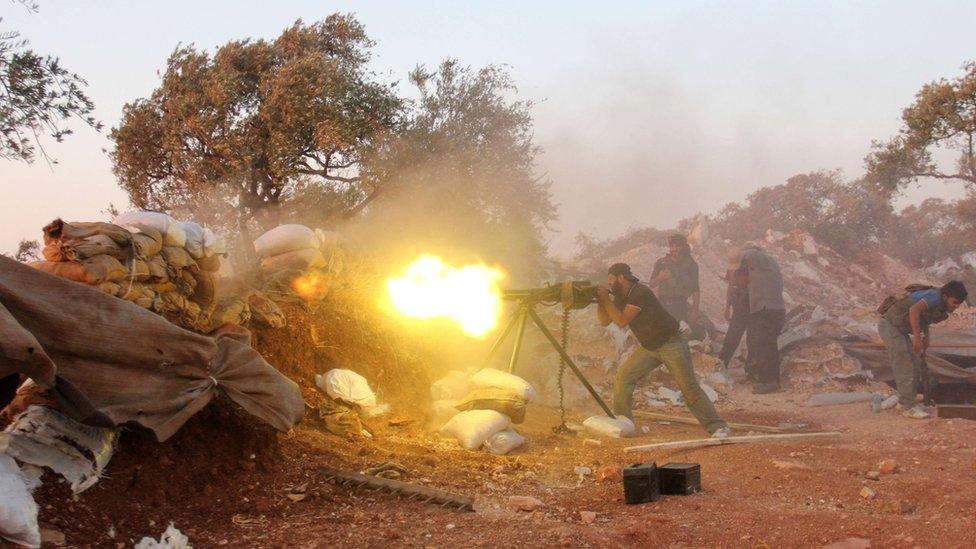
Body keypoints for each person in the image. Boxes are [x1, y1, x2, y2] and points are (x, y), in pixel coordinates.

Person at [596, 262, 730, 437]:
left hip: (671, 344)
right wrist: (601, 301)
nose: (610, 283)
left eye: (612, 279)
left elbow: (621, 321)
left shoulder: (640, 293)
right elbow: (605, 321)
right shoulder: (622, 297)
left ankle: (718, 426)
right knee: (624, 377)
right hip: (650, 347)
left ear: (621, 278)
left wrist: (606, 299)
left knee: (688, 388)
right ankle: (624, 423)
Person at [878, 281, 967, 419]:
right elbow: (914, 310)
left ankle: (905, 402)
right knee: (904, 364)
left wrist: (926, 337)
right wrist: (918, 338)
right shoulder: (934, 296)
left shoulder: (939, 302)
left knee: (915, 364)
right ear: (945, 296)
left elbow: (924, 318)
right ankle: (908, 407)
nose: (955, 306)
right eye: (954, 302)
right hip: (890, 326)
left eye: (958, 304)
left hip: (899, 329)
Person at [740, 244, 786, 394]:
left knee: (765, 346)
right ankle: (761, 376)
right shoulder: (764, 269)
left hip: (768, 310)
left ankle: (769, 381)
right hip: (769, 310)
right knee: (761, 344)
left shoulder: (763, 259)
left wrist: (742, 253)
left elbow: (748, 253)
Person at [650, 234, 701, 325]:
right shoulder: (661, 263)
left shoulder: (691, 265)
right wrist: (659, 278)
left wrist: (695, 310)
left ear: (683, 247)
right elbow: (651, 284)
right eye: (672, 246)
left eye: (677, 246)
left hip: (681, 306)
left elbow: (695, 289)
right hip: (663, 305)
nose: (674, 249)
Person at [719, 250, 750, 368]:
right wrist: (727, 307)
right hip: (738, 306)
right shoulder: (732, 271)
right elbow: (731, 287)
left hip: (751, 305)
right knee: (732, 336)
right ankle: (722, 362)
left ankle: (750, 368)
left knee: (753, 337)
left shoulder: (750, 269)